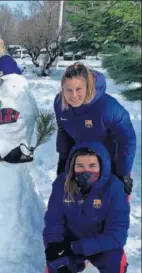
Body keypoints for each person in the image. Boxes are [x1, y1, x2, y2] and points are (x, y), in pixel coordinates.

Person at [43, 141, 130, 273]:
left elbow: (117, 235)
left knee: (115, 266)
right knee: (54, 272)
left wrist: (77, 247)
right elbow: (52, 226)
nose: (86, 171)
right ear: (72, 167)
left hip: (101, 244)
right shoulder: (61, 185)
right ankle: (77, 266)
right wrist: (62, 268)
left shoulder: (114, 188)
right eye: (80, 166)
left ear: (102, 165)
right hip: (71, 240)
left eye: (92, 166)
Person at [54, 62, 136, 196]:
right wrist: (63, 161)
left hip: (113, 161)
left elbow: (127, 139)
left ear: (88, 86)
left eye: (79, 89)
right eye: (68, 90)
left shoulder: (109, 108)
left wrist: (123, 173)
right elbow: (63, 131)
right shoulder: (60, 104)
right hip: (82, 160)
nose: (73, 96)